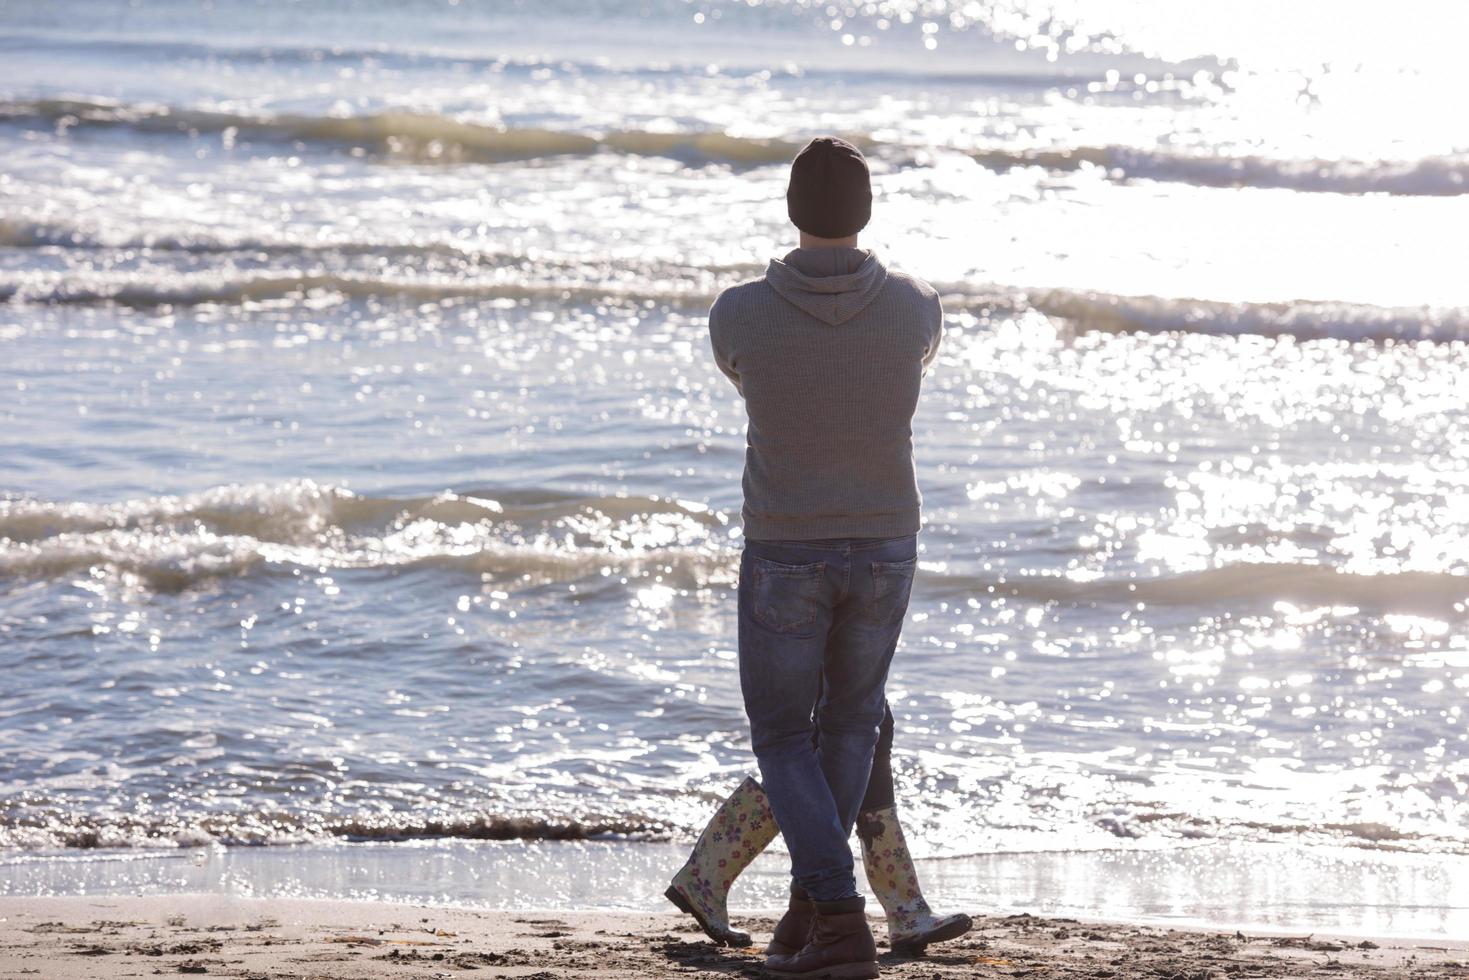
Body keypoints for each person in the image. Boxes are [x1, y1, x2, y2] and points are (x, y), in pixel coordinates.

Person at [665, 136, 955, 978]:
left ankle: (835, 917)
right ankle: (808, 913)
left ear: (792, 212)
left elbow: (742, 376)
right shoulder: (915, 308)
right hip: (885, 543)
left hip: (787, 543)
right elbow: (912, 366)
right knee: (853, 722)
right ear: (865, 213)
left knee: (785, 736)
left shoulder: (738, 312)